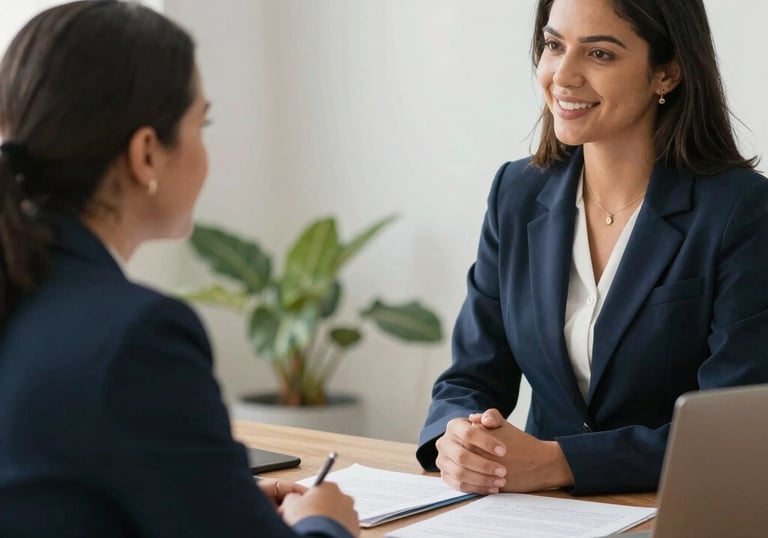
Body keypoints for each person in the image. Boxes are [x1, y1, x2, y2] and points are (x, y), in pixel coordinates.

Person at [0, 2, 358, 537]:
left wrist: (213, 500)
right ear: (146, 153)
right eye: (202, 123)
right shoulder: (135, 338)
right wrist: (325, 525)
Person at [417, 0, 768, 496]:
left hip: (676, 511)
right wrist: (456, 438)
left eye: (599, 54)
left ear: (666, 73)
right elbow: (469, 377)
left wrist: (560, 463)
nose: (563, 75)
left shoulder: (741, 211)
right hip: (534, 515)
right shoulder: (516, 193)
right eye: (554, 45)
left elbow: (733, 429)